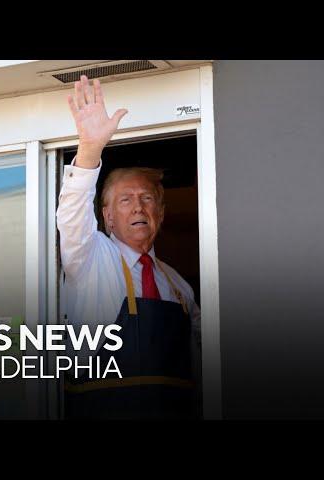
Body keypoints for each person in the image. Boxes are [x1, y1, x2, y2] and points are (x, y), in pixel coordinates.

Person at [57, 75, 201, 419]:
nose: (138, 207)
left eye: (146, 198)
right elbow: (72, 216)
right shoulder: (89, 260)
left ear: (160, 213)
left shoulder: (180, 287)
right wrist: (90, 149)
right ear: (107, 216)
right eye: (125, 200)